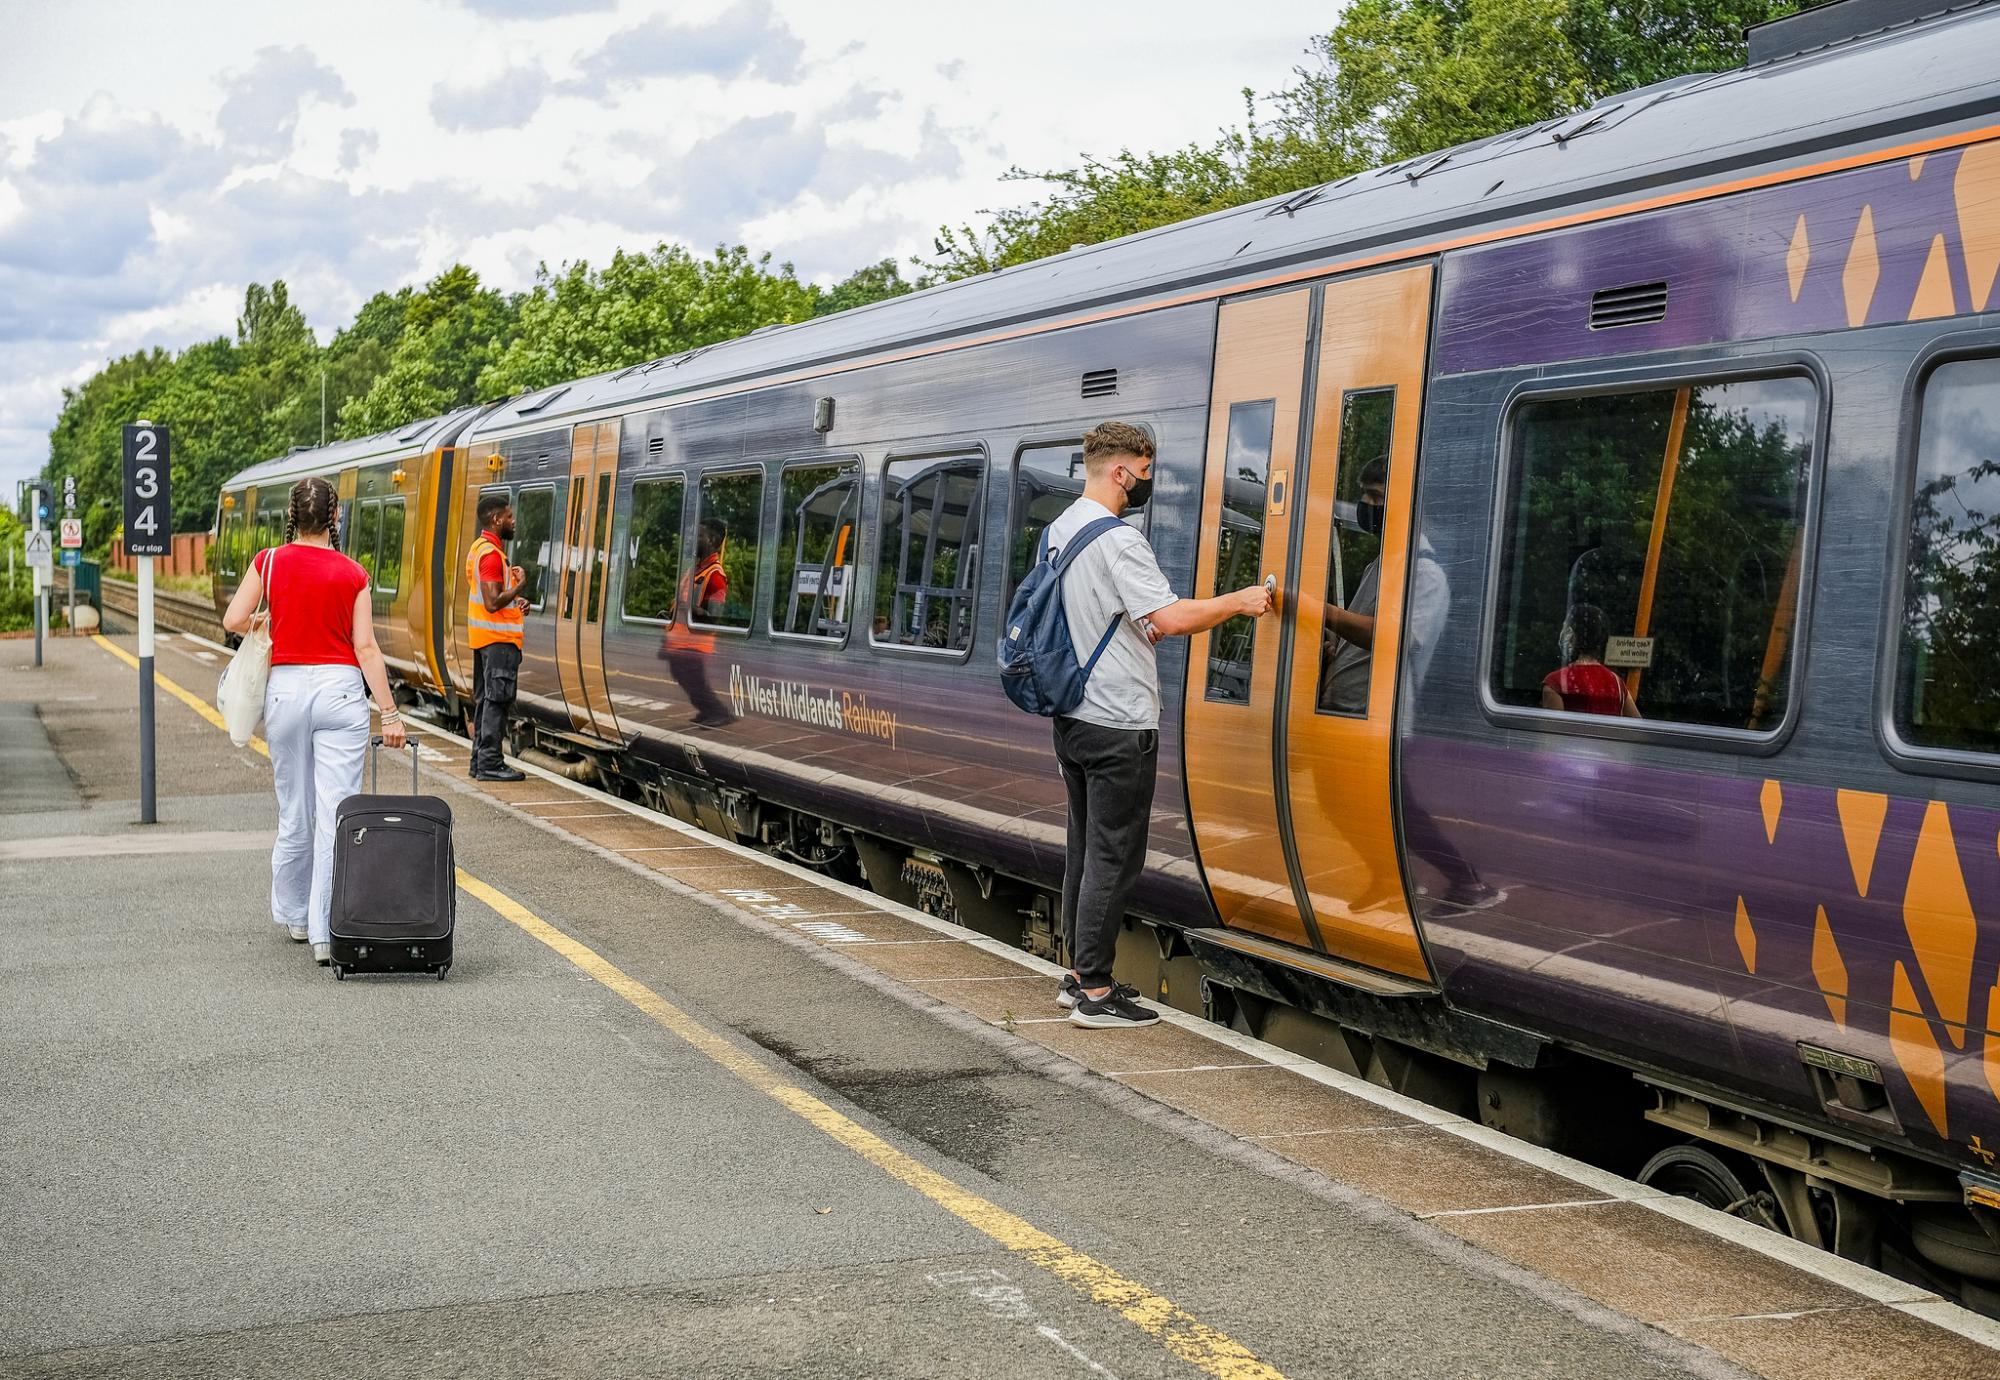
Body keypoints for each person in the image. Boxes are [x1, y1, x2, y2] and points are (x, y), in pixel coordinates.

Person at [1048, 421, 1272, 1028]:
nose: (1146, 483)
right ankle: (1094, 992)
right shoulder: (1118, 540)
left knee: (1085, 849)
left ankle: (1077, 975)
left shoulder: (1060, 528)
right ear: (1122, 471)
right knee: (1114, 856)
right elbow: (1170, 619)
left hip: (1073, 716)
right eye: (1145, 473)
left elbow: (1094, 613)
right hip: (1118, 721)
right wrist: (1240, 601)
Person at [221, 477, 406, 967]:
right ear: (335, 517)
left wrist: (267, 622)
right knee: (335, 813)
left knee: (294, 808)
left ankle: (296, 917)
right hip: (340, 693)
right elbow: (365, 648)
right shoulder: (353, 573)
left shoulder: (270, 561)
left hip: (285, 692)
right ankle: (328, 932)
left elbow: (233, 619)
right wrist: (388, 712)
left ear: (291, 517)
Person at [468, 494, 530, 781]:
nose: (513, 520)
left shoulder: (480, 549)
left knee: (486, 701)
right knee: (496, 701)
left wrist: (517, 600)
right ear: (496, 519)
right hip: (497, 641)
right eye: (509, 516)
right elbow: (492, 602)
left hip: (486, 639)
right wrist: (520, 586)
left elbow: (493, 600)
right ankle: (490, 763)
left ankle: (479, 763)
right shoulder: (491, 555)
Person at [663, 519, 734, 727]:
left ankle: (718, 712)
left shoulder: (716, 576)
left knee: (694, 680)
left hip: (696, 644)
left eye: (700, 536)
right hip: (681, 642)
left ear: (712, 540)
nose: (694, 540)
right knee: (684, 677)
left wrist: (687, 609)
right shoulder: (696, 570)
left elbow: (713, 616)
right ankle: (708, 711)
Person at [1541, 603, 1641, 717]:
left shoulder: (1555, 683)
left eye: (1564, 627)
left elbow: (1553, 732)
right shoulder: (1617, 684)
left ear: (1570, 634)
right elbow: (1638, 728)